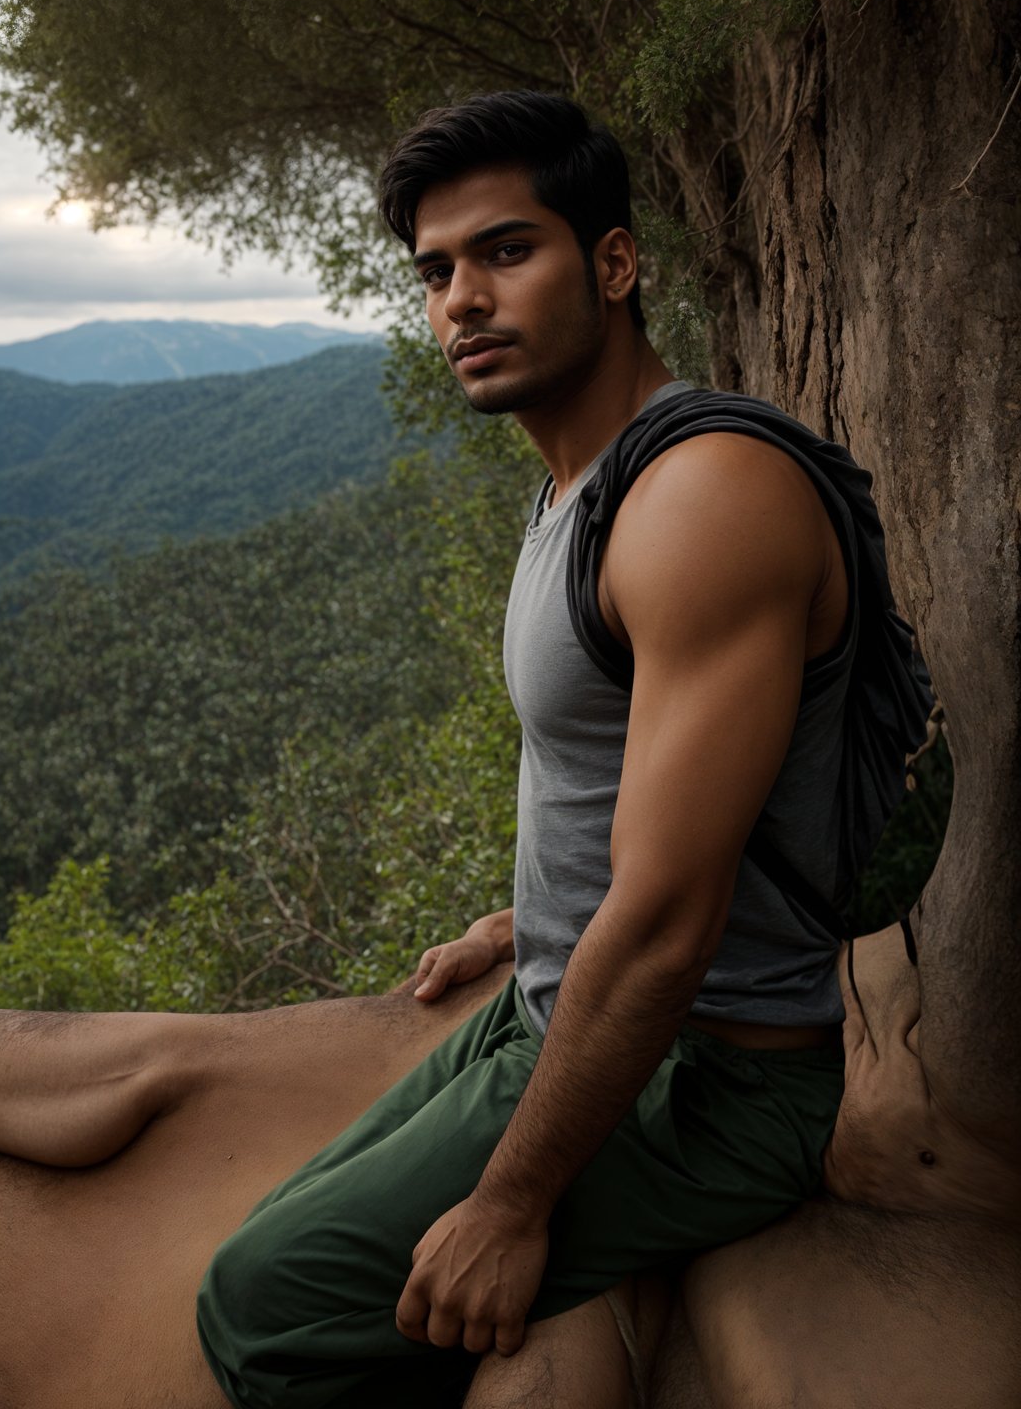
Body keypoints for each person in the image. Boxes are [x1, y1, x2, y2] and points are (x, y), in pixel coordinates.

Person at [193, 90, 929, 1409]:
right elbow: (623, 777)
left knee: (265, 1305)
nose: (463, 298)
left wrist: (516, 1204)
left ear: (614, 263)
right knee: (273, 1226)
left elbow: (660, 926)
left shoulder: (702, 498)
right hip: (558, 1001)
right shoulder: (574, 486)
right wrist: (518, 915)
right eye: (436, 271)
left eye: (506, 250)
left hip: (708, 1077)